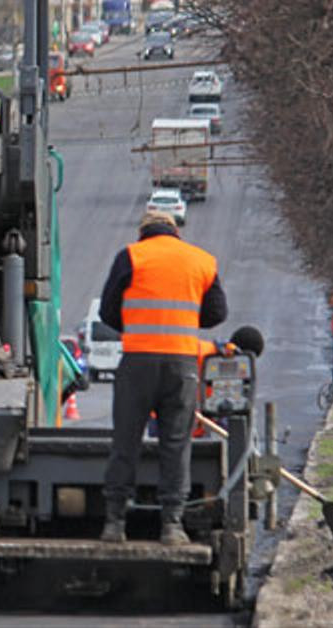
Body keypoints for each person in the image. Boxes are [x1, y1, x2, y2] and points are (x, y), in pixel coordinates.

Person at [98, 210, 227, 546]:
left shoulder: (131, 256)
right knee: (175, 443)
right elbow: (216, 313)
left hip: (137, 362)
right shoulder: (202, 261)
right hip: (181, 364)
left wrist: (137, 323)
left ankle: (114, 523)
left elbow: (107, 311)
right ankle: (172, 525)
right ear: (175, 231)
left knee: (126, 441)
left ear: (145, 233)